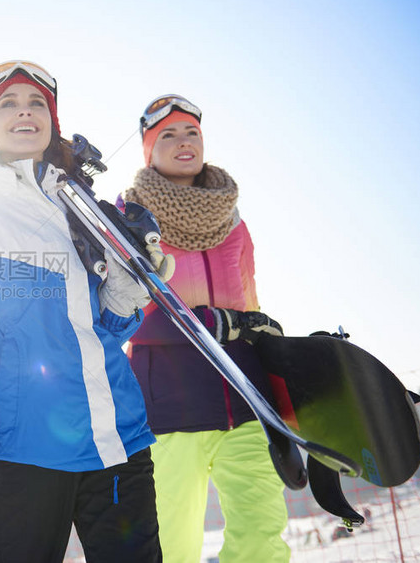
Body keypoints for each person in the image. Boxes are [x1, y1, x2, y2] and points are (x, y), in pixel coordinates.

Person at [0, 60, 169, 562]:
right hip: (18, 452)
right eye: (8, 103)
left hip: (116, 441)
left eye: (36, 104)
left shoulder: (85, 207)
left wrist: (123, 299)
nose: (24, 113)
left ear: (52, 120)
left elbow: (101, 334)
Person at [120, 95, 290, 562]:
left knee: (262, 540)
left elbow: (250, 305)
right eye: (167, 135)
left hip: (247, 403)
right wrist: (212, 323)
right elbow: (127, 316)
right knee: (172, 547)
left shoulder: (233, 222)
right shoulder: (127, 220)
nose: (183, 143)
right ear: (149, 150)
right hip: (170, 414)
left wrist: (266, 339)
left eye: (191, 132)